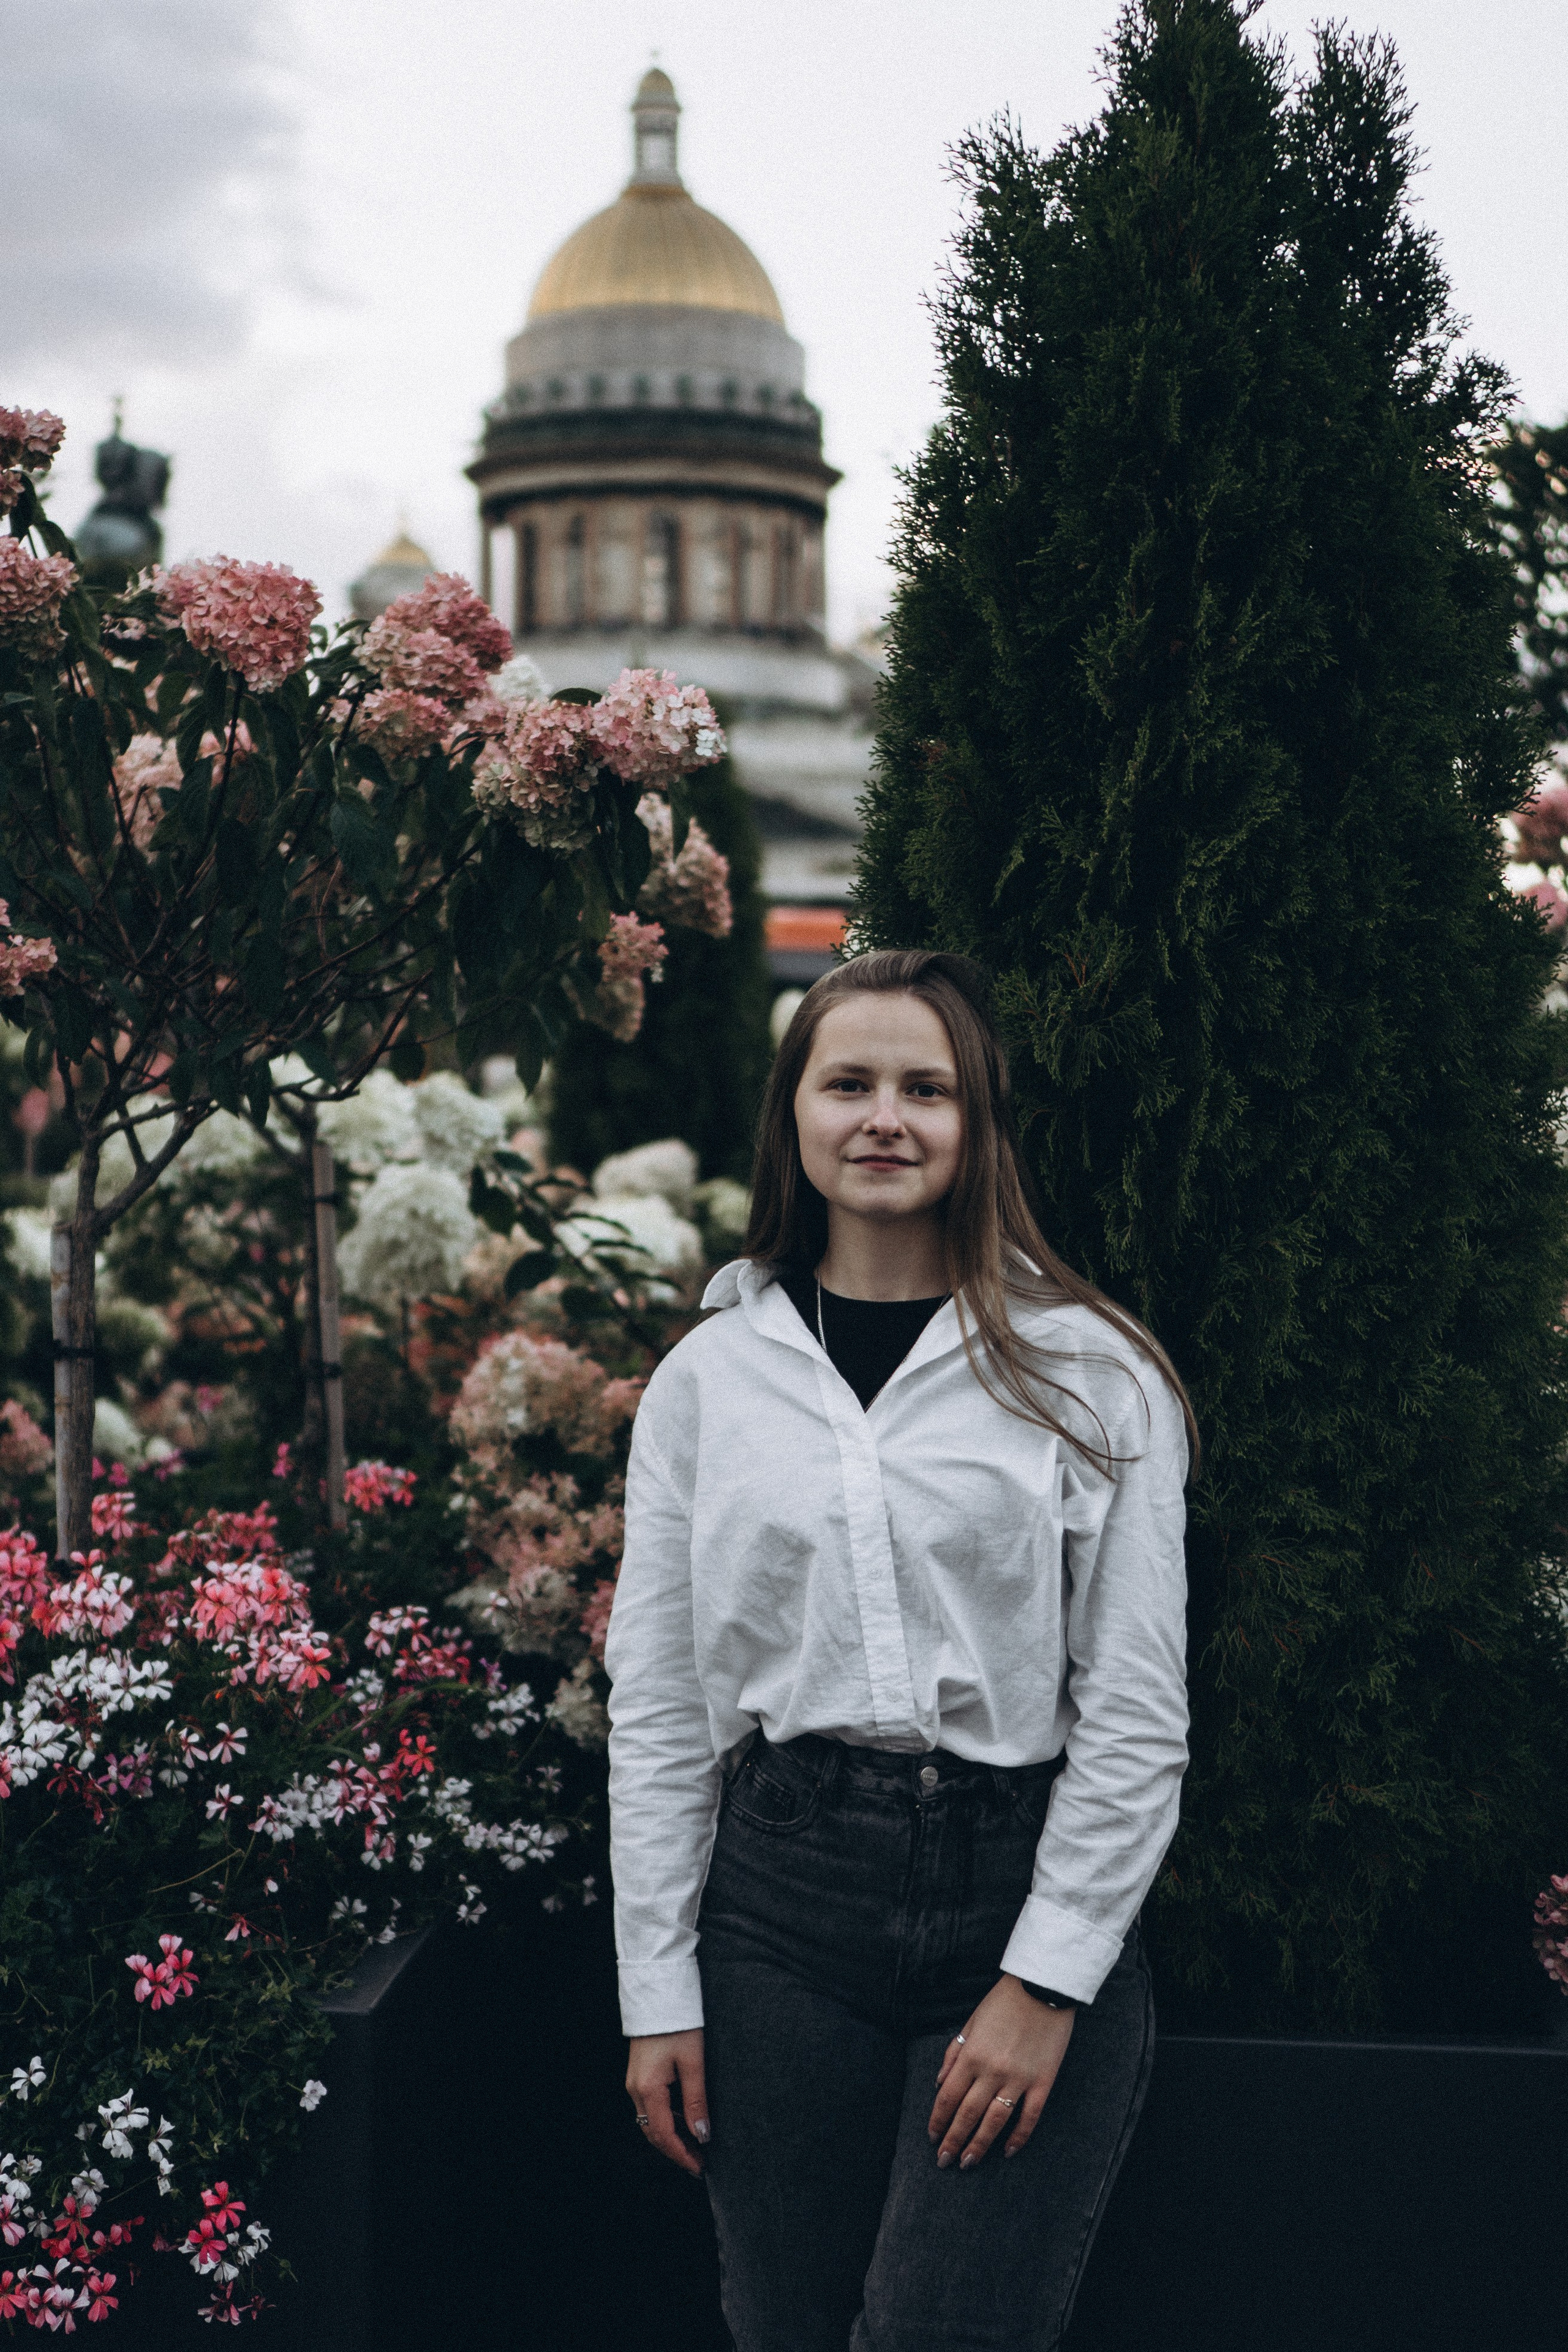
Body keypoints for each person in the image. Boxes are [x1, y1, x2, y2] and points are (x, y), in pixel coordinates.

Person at [605, 948, 1195, 2351]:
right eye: (849, 1082)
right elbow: (664, 1708)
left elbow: (1134, 1709)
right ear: (793, 1116)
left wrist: (1046, 1980)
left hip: (1014, 1888)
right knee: (787, 2332)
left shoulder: (1089, 1373)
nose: (885, 1117)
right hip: (778, 1912)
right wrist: (655, 1990)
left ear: (978, 1124)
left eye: (926, 1088)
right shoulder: (709, 1381)